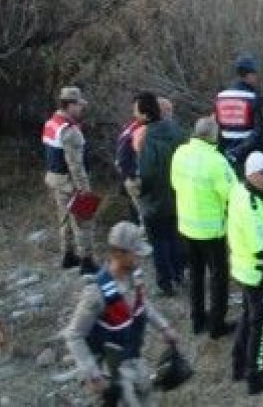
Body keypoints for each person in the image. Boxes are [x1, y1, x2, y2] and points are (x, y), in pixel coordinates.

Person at [61, 221, 179, 407]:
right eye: (135, 254)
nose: (140, 259)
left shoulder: (134, 276)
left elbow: (142, 304)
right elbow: (74, 335)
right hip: (112, 374)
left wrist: (164, 327)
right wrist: (93, 374)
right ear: (118, 253)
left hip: (133, 359)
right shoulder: (97, 293)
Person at [170, 117, 235, 338]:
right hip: (212, 230)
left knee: (196, 275)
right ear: (212, 136)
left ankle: (197, 320)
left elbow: (175, 184)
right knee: (218, 277)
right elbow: (231, 193)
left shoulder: (180, 153)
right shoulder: (217, 161)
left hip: (187, 226)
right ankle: (217, 325)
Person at [227, 152, 263, 395]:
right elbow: (261, 245)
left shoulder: (242, 192)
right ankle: (255, 375)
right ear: (251, 175)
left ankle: (238, 364)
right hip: (258, 272)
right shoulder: (251, 204)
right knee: (261, 324)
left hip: (244, 269)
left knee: (248, 315)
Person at [135, 91, 186, 296]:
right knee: (175, 237)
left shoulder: (147, 137)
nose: (135, 115)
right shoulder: (176, 131)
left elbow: (146, 173)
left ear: (147, 115)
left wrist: (141, 192)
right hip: (177, 194)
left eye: (137, 112)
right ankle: (179, 274)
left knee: (159, 242)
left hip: (155, 198)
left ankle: (165, 284)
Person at [43, 86, 98, 274]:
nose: (82, 108)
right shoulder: (70, 130)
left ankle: (67, 256)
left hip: (55, 179)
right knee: (83, 221)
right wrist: (84, 189)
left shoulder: (52, 122)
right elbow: (75, 164)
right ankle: (87, 262)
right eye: (79, 104)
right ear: (69, 105)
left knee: (65, 218)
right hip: (70, 182)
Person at [214, 55, 263, 179]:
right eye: (255, 74)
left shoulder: (221, 96)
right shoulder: (254, 97)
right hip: (248, 155)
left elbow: (217, 128)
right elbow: (259, 132)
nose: (256, 77)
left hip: (225, 154)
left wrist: (225, 152)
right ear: (249, 75)